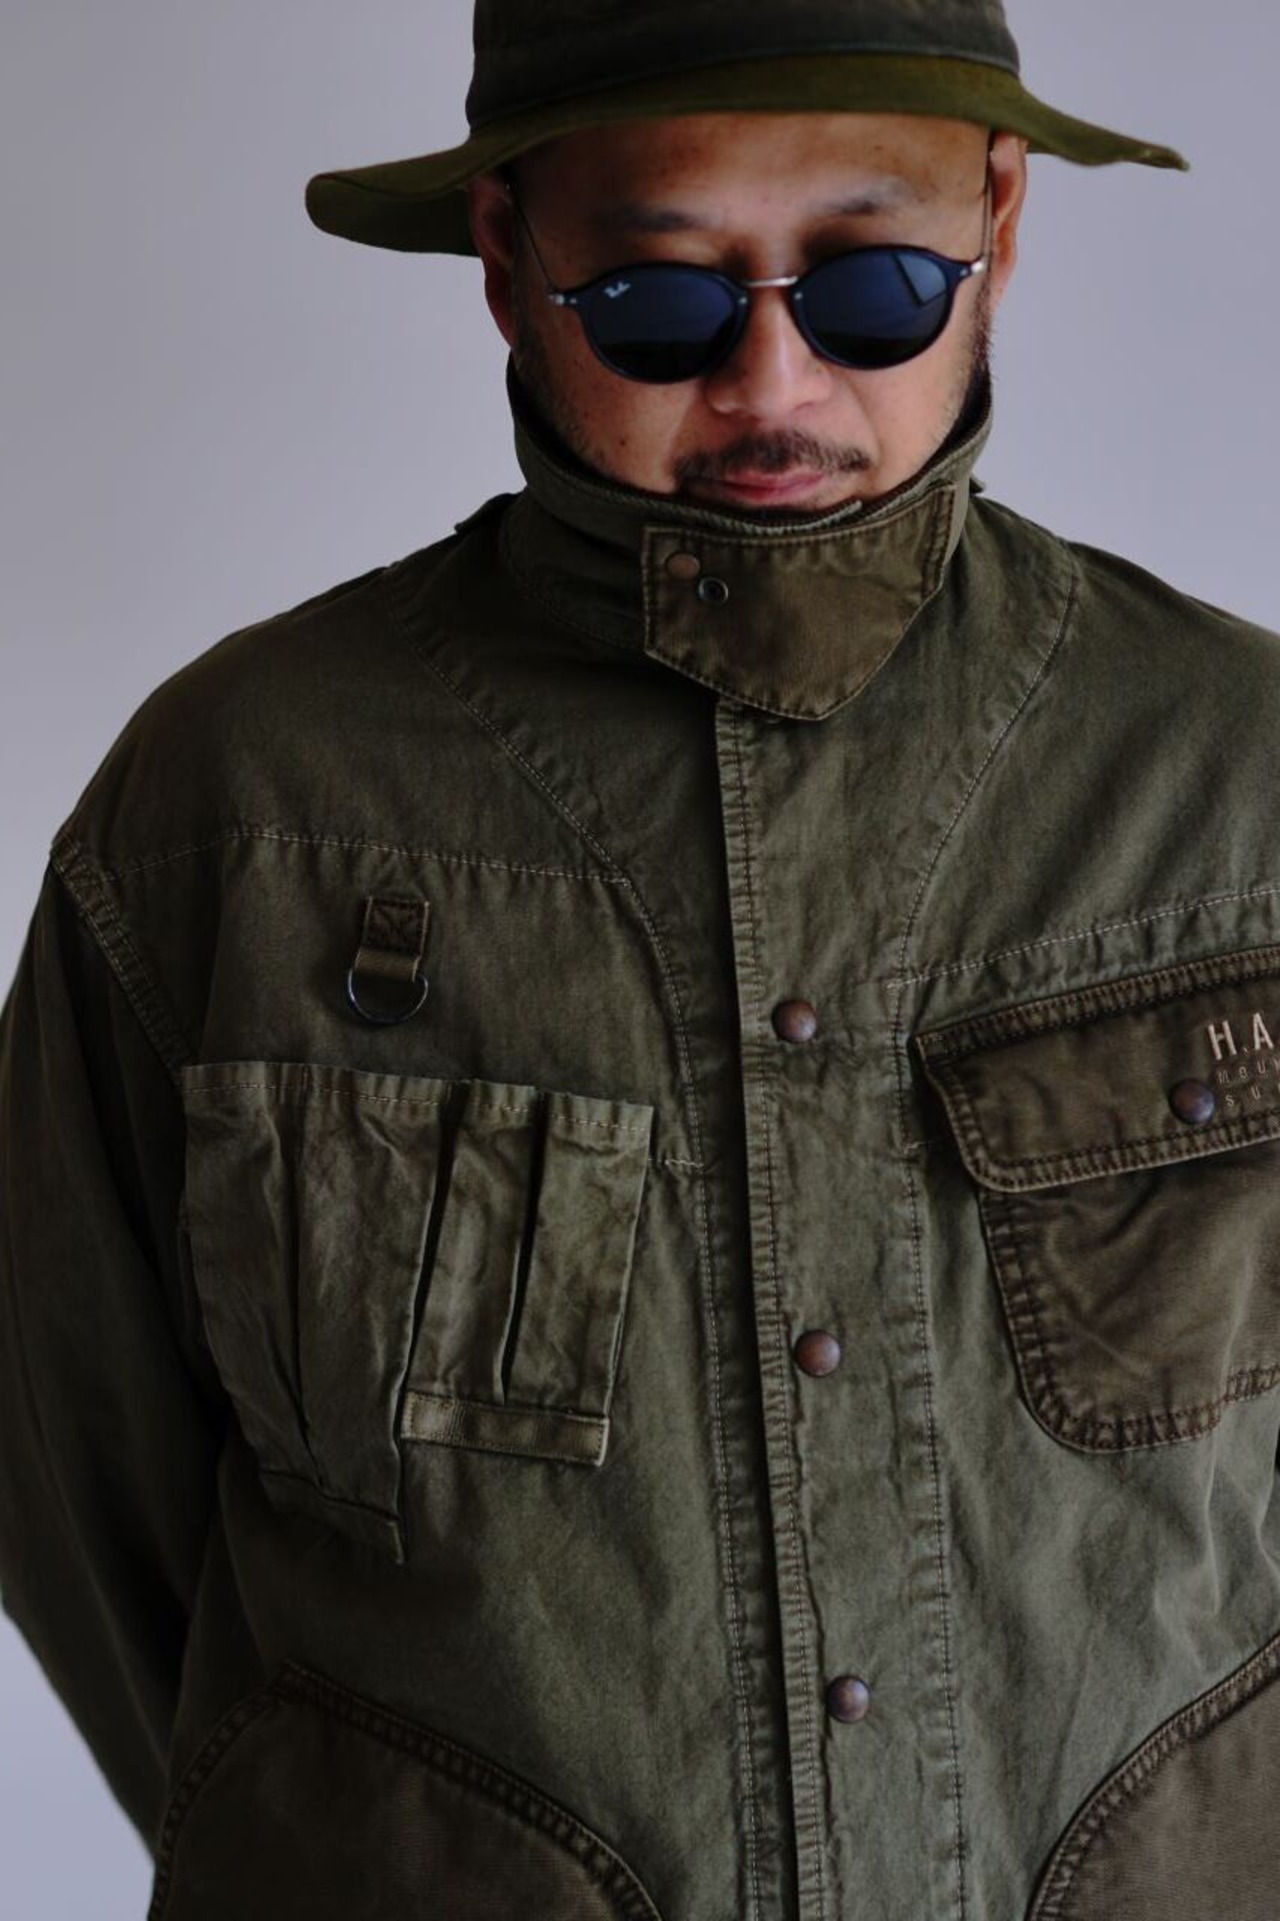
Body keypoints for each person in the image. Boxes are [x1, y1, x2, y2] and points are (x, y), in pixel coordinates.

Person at [2, 2, 1278, 1916]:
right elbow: (85, 1494)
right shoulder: (232, 813)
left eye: (873, 287)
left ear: (1001, 221)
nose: (773, 382)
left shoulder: (1240, 781)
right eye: (660, 304)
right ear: (507, 259)